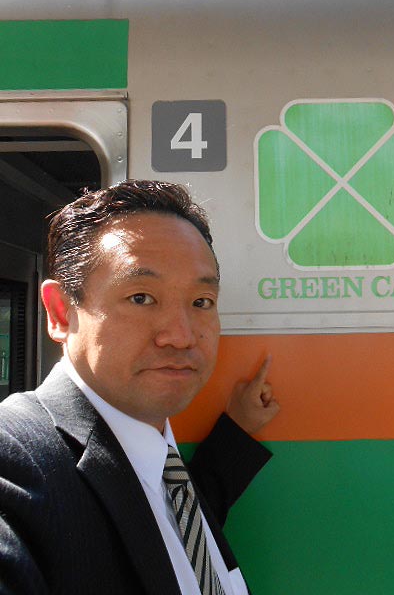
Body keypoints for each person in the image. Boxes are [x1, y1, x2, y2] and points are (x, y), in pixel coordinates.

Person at [0, 180, 279, 595]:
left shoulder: (167, 471)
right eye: (141, 297)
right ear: (60, 312)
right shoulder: (14, 462)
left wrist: (237, 431)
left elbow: (164, 533)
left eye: (201, 302)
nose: (181, 336)